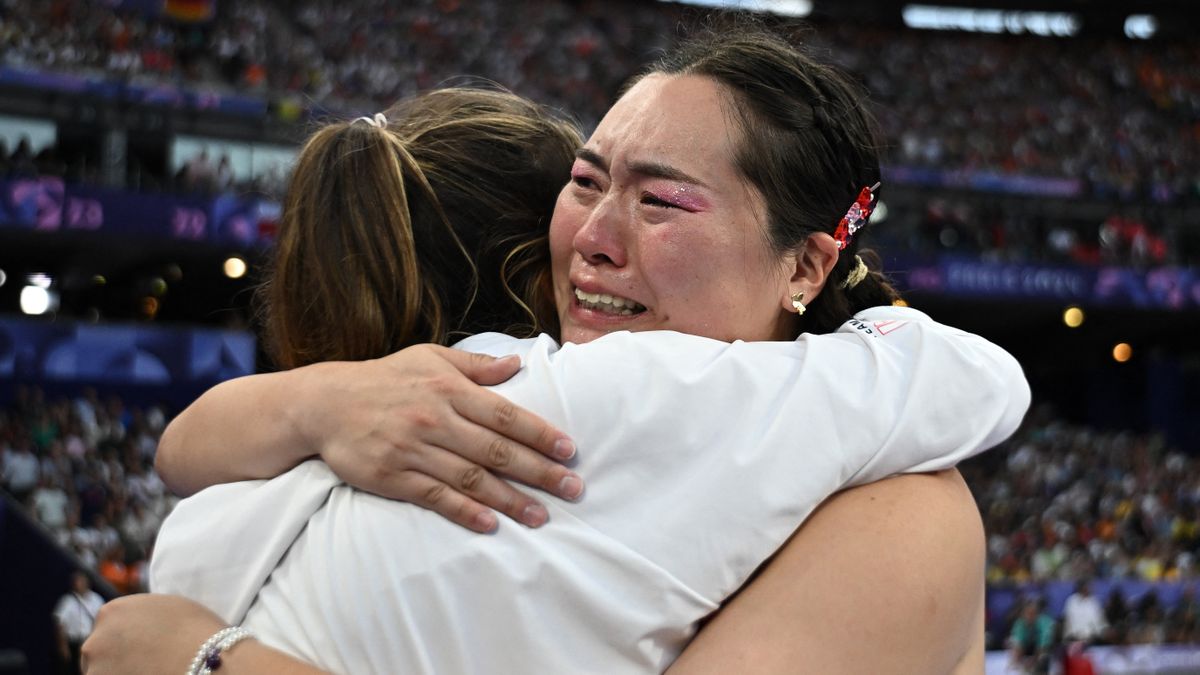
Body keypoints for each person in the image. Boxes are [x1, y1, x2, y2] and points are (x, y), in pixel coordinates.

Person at [84, 26, 1027, 674]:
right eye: (585, 180)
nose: (595, 238)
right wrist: (319, 402)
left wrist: (210, 658)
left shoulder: (901, 515)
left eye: (661, 200)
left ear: (807, 265)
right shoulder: (477, 404)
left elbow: (963, 375)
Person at [54, 571, 104, 675]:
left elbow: (102, 619)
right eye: (76, 581)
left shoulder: (96, 599)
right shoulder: (67, 601)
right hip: (74, 643)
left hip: (91, 642)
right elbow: (60, 623)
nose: (78, 583)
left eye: (81, 581)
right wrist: (63, 645)